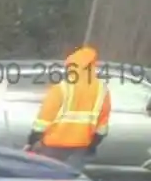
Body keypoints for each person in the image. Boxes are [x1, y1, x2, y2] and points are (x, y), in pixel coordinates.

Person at [27, 45, 111, 174]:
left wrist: (33, 139)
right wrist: (93, 144)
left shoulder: (61, 88)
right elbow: (102, 125)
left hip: (52, 145)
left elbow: (44, 118)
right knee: (71, 180)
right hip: (81, 146)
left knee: (47, 178)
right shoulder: (102, 90)